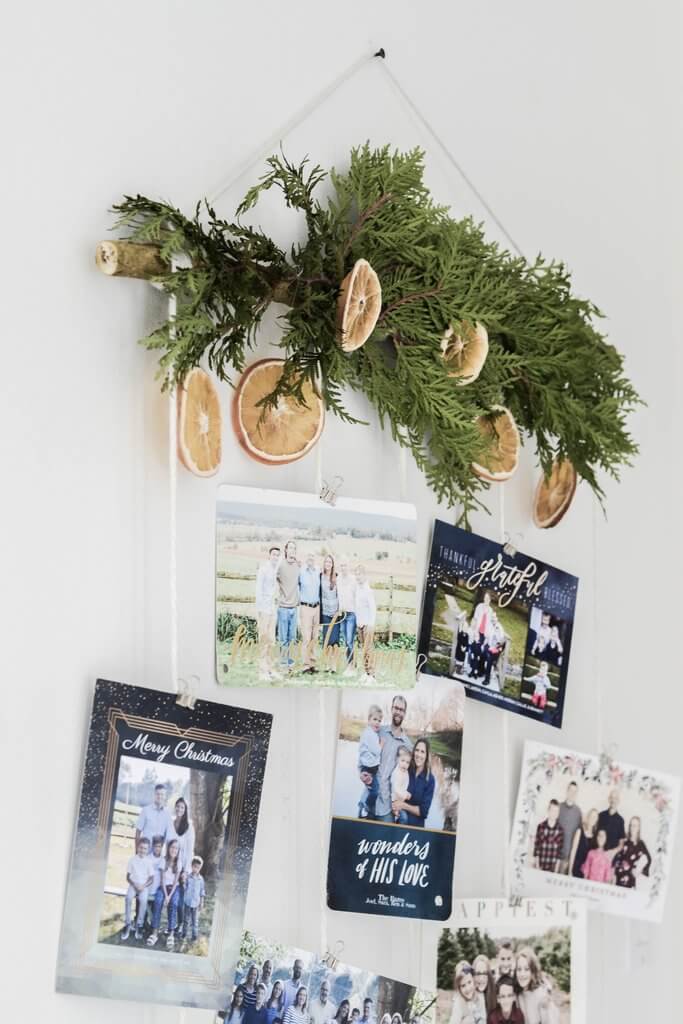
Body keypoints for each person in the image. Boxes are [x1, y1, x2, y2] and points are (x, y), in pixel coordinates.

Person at [360, 694, 412, 823]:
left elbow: (405, 779)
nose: (398, 712)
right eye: (396, 708)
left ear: (405, 713)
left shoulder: (408, 745)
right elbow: (363, 751)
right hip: (369, 798)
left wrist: (401, 802)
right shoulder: (378, 731)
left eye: (401, 710)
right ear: (391, 709)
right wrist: (361, 771)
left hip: (387, 808)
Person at [393, 737, 435, 828]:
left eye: (422, 752)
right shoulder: (407, 769)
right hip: (399, 823)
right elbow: (395, 785)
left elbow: (424, 812)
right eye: (417, 750)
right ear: (413, 752)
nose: (419, 754)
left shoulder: (430, 780)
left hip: (415, 828)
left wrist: (403, 805)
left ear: (427, 755)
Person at [148, 836, 181, 949]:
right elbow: (162, 880)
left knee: (174, 904)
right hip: (162, 887)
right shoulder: (163, 861)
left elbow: (176, 881)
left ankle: (171, 934)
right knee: (158, 902)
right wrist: (166, 896)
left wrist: (169, 896)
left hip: (173, 888)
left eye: (176, 848)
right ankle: (154, 933)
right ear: (168, 848)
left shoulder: (179, 863)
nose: (174, 850)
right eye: (172, 847)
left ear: (178, 850)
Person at [255, 546, 281, 681]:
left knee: (271, 640)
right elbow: (258, 590)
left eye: (278, 555)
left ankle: (270, 669)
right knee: (263, 639)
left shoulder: (276, 569)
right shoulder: (263, 569)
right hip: (264, 609)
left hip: (272, 609)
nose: (275, 557)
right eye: (274, 555)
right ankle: (262, 671)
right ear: (269, 556)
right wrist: (259, 610)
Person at [121, 836, 154, 942]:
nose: (142, 850)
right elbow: (127, 877)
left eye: (145, 848)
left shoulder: (149, 861)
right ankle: (127, 924)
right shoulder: (132, 860)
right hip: (133, 884)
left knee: (143, 900)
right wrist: (135, 885)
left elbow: (151, 878)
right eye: (141, 847)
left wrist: (143, 886)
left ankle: (139, 925)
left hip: (143, 886)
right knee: (128, 898)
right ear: (137, 847)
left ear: (148, 849)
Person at [276, 540, 300, 671]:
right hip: (283, 607)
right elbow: (273, 576)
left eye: (294, 548)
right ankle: (283, 663)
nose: (292, 550)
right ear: (286, 550)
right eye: (290, 548)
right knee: (283, 637)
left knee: (292, 638)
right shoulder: (280, 565)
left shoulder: (297, 565)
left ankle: (290, 663)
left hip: (294, 608)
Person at [358, 704, 383, 818]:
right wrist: (381, 744)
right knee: (375, 791)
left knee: (371, 789)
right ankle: (366, 806)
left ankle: (363, 804)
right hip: (369, 769)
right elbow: (377, 751)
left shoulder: (368, 733)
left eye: (379, 720)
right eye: (374, 719)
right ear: (368, 720)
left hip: (368, 768)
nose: (377, 722)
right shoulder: (370, 734)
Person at [613, 815, 652, 888]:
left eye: (635, 825)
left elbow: (649, 860)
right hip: (618, 877)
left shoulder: (641, 844)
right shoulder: (624, 840)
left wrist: (639, 871)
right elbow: (618, 857)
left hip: (630, 879)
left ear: (638, 828)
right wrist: (614, 872)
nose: (632, 828)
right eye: (631, 825)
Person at [299, 552, 321, 674]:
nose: (310, 558)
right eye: (309, 556)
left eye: (312, 556)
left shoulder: (318, 571)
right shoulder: (301, 572)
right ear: (306, 559)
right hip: (306, 607)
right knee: (306, 638)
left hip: (316, 608)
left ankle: (312, 663)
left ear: (315, 559)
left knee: (314, 637)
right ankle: (305, 665)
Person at [514, 947, 549, 1024]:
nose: (522, 974)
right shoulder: (518, 993)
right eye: (519, 969)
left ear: (533, 971)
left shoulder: (541, 996)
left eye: (526, 969)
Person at [355, 565, 377, 683]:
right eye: (356, 574)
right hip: (360, 624)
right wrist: (358, 623)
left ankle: (371, 674)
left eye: (360, 574)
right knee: (363, 648)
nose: (358, 577)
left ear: (364, 575)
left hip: (368, 625)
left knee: (368, 649)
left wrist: (370, 625)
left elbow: (373, 609)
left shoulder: (368, 590)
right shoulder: (358, 588)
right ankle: (365, 672)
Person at [556, 782, 582, 874]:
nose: (572, 793)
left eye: (575, 792)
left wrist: (570, 861)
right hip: (554, 856)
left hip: (566, 859)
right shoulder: (558, 807)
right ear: (567, 791)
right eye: (570, 790)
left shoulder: (578, 812)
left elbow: (577, 838)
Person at [336, 561, 357, 672]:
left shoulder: (353, 579)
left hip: (351, 614)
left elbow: (357, 595)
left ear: (348, 566)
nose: (343, 567)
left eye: (345, 565)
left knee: (349, 640)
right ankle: (351, 663)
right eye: (342, 565)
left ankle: (351, 666)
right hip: (342, 614)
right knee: (345, 640)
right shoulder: (338, 579)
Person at [533, 800, 564, 873]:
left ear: (558, 813)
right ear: (548, 811)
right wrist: (537, 867)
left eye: (556, 811)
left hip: (553, 868)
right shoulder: (541, 826)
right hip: (541, 865)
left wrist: (556, 871)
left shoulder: (560, 830)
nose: (554, 813)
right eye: (552, 810)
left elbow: (559, 853)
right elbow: (537, 848)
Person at [320, 554, 341, 654]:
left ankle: (333, 664)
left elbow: (341, 594)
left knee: (334, 639)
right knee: (327, 638)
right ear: (324, 564)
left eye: (330, 562)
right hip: (325, 613)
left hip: (335, 613)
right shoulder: (320, 577)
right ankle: (327, 663)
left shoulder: (337, 577)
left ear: (332, 564)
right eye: (326, 562)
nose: (328, 564)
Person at [181, 855, 205, 942]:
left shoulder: (201, 879)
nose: (196, 869)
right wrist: (183, 882)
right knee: (186, 920)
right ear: (192, 866)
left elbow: (202, 891)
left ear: (200, 868)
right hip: (187, 902)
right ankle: (184, 934)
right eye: (194, 867)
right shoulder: (188, 877)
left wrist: (202, 902)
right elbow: (185, 888)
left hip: (196, 903)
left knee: (195, 921)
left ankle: (194, 936)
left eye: (198, 868)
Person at [569, 808, 598, 879]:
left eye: (594, 817)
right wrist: (570, 871)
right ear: (588, 817)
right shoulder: (579, 831)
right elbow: (573, 851)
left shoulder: (595, 837)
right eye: (591, 816)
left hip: (586, 872)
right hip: (576, 868)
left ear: (596, 820)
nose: (592, 819)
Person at [390, 745, 412, 823]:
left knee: (403, 816)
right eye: (402, 761)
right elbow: (396, 789)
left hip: (400, 800)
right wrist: (405, 795)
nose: (404, 764)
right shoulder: (397, 773)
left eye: (407, 762)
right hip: (394, 800)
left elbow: (404, 786)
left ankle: (397, 822)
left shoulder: (405, 772)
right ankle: (398, 826)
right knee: (404, 818)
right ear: (398, 760)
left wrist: (405, 793)